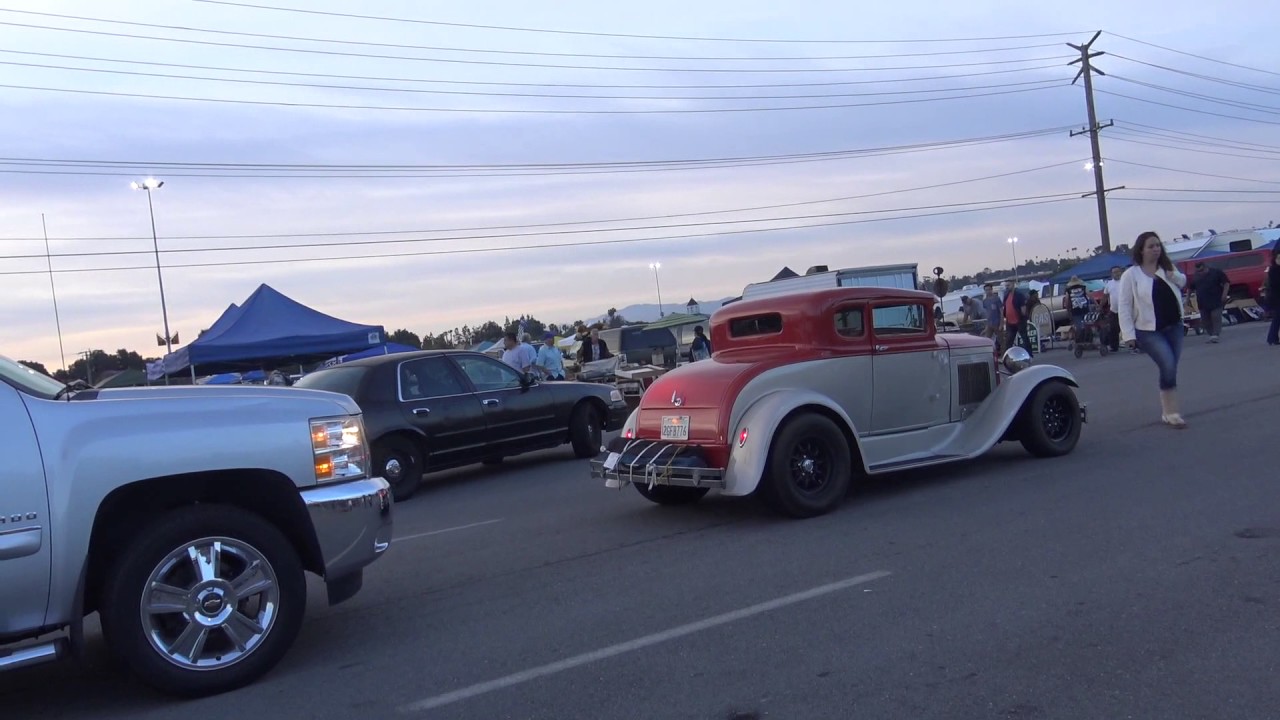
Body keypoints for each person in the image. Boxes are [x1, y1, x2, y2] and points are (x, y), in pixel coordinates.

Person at [1117, 231, 1188, 428]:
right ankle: (1171, 412)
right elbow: (1124, 306)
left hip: (1174, 325)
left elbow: (1183, 282)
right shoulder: (1131, 275)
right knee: (1167, 364)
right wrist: (1128, 334)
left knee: (1171, 366)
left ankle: (1168, 411)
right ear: (1141, 250)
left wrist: (1173, 275)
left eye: (1158, 245)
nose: (1156, 249)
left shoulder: (1166, 268)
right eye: (1151, 246)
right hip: (1148, 330)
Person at [1191, 261, 1230, 343]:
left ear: (1206, 267)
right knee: (1205, 320)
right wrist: (1187, 299)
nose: (1200, 272)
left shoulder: (1216, 272)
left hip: (1216, 299)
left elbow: (1226, 283)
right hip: (1202, 302)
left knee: (1215, 316)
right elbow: (1190, 288)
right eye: (1198, 271)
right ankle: (1211, 334)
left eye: (1201, 270)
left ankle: (1216, 334)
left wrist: (1224, 294)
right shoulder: (1195, 276)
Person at [1002, 279, 1032, 354]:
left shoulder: (1019, 295)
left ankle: (1029, 354)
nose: (1007, 287)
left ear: (1013, 285)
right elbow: (1005, 307)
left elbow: (1023, 308)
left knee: (1024, 338)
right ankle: (1008, 355)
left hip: (1019, 321)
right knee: (1009, 340)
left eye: (1008, 285)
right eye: (1006, 286)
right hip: (1010, 321)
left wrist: (1023, 317)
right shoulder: (1006, 296)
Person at [1102, 265, 1124, 352]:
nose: (1116, 274)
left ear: (1121, 272)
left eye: (1118, 271)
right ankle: (1114, 347)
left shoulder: (1125, 281)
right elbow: (1105, 296)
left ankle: (1135, 346)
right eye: (1114, 272)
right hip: (1114, 310)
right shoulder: (1109, 284)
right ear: (1111, 274)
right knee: (1113, 329)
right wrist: (1100, 307)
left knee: (1130, 328)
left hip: (1127, 310)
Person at [1062, 276, 1090, 343]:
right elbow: (1090, 295)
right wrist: (1096, 304)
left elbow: (1067, 301)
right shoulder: (1083, 287)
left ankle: (1080, 341)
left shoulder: (1068, 290)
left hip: (1075, 310)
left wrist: (1068, 310)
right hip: (1085, 308)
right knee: (1087, 325)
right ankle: (1088, 340)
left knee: (1078, 326)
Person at [1266, 253, 1280, 346]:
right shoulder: (1274, 269)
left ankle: (1272, 338)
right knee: (1277, 318)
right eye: (1278, 258)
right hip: (1277, 297)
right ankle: (1272, 338)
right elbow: (1275, 283)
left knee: (1277, 318)